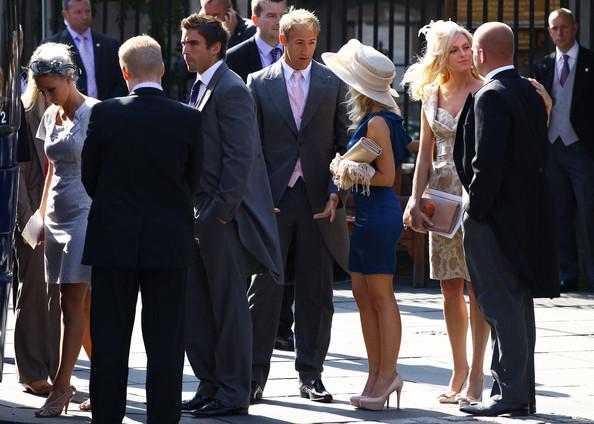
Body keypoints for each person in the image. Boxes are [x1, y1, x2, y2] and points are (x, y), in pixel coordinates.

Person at [80, 34, 201, 424]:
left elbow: (90, 177)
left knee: (110, 338)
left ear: (123, 71)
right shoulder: (188, 117)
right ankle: (163, 418)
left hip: (114, 239)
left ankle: (107, 417)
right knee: (166, 340)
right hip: (169, 241)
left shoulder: (105, 113)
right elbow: (194, 180)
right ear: (163, 69)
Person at [454, 22, 559, 417]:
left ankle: (511, 394)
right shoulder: (531, 92)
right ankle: (519, 392)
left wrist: (474, 211)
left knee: (500, 306)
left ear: (480, 55)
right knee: (517, 306)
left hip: (493, 219)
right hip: (524, 217)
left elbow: (486, 165)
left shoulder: (491, 95)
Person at [180, 13, 282, 418]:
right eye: (184, 43)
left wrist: (216, 214)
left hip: (222, 220)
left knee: (229, 310)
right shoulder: (201, 86)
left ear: (215, 47)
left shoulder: (232, 89)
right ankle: (210, 384)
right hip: (200, 216)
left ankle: (235, 391)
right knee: (199, 306)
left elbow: (241, 159)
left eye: (192, 44)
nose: (185, 50)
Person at [247, 8, 349, 404]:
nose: (306, 49)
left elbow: (346, 145)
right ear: (284, 41)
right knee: (265, 291)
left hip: (319, 201)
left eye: (312, 42)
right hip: (274, 201)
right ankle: (255, 376)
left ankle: (312, 375)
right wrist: (258, 199)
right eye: (299, 42)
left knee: (317, 291)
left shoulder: (332, 82)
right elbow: (250, 147)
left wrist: (338, 193)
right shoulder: (257, 83)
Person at [401, 20, 490, 406]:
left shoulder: (486, 89)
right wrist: (414, 198)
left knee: (478, 285)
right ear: (442, 55)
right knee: (449, 286)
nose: (463, 53)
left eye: (467, 46)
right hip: (441, 193)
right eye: (454, 49)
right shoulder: (431, 93)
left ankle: (477, 374)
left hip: (475, 192)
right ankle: (457, 369)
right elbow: (424, 152)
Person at [322, 38, 410, 410]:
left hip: (379, 213)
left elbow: (387, 176)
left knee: (379, 295)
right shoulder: (377, 117)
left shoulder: (376, 121)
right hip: (371, 214)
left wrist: (347, 169)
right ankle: (376, 375)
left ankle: (387, 374)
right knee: (363, 294)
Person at [30, 41, 99, 417]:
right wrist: (39, 217)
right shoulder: (50, 115)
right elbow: (50, 170)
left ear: (70, 77)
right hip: (56, 214)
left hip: (85, 214)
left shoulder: (94, 113)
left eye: (51, 89)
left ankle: (61, 389)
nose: (47, 96)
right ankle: (106, 383)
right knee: (80, 308)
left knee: (70, 304)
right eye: (42, 90)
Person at [533, 8, 594, 292]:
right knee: (559, 214)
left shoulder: (591, 62)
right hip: (552, 148)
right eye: (554, 28)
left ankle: (592, 275)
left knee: (588, 214)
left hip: (582, 149)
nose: (559, 33)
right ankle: (566, 275)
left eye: (564, 27)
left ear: (576, 27)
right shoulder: (543, 65)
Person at [13, 71, 61, 397]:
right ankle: (31, 371)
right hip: (32, 215)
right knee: (33, 294)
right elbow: (17, 172)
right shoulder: (23, 115)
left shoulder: (70, 112)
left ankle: (54, 369)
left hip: (64, 215)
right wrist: (30, 219)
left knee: (58, 298)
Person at [45, 0, 127, 100]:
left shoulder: (110, 45)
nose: (85, 16)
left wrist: (109, 106)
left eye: (87, 11)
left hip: (106, 110)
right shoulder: (53, 46)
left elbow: (121, 81)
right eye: (78, 12)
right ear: (65, 15)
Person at [226, 0, 286, 83]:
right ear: (255, 20)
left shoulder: (299, 51)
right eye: (271, 16)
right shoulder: (233, 58)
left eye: (283, 15)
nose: (280, 22)